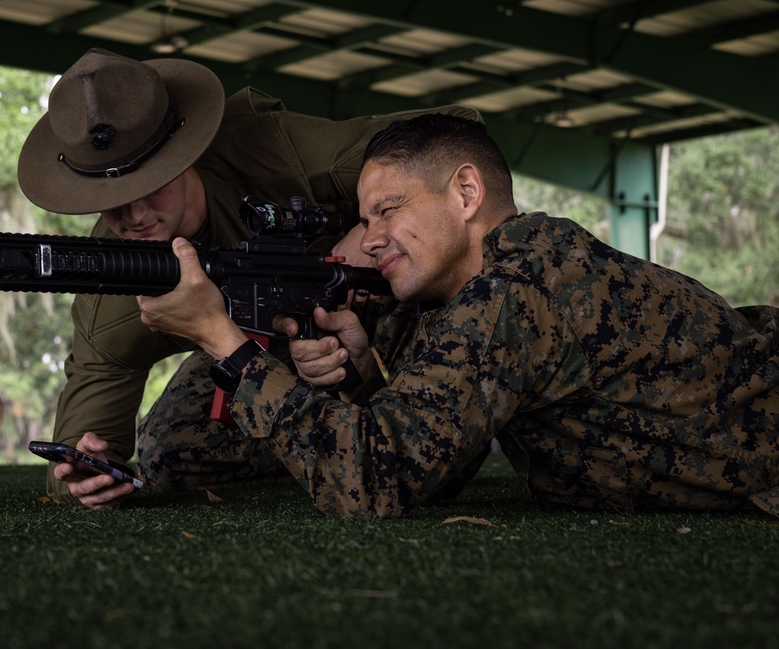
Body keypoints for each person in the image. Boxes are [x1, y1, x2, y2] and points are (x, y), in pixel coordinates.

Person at [137, 112, 779, 519]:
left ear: (466, 193)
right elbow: (435, 458)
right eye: (364, 220)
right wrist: (362, 373)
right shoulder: (474, 290)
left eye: (387, 210)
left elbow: (373, 479)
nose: (373, 236)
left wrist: (222, 339)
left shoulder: (520, 294)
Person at [17, 47, 483, 507]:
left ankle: (418, 442)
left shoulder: (280, 151)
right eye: (110, 195)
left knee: (415, 267)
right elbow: (76, 457)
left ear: (182, 154)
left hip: (371, 297)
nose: (135, 214)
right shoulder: (114, 297)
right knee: (172, 450)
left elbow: (462, 129)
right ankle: (336, 455)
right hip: (260, 350)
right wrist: (85, 476)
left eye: (150, 183)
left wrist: (367, 231)